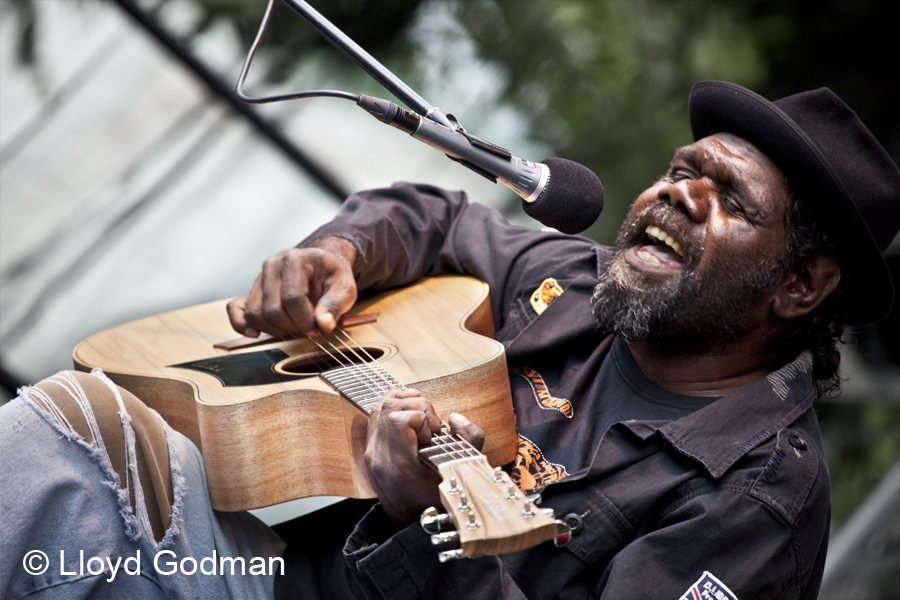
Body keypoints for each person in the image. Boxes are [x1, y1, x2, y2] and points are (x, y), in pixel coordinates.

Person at [1, 81, 897, 600]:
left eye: (729, 200)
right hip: (270, 576)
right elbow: (434, 215)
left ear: (801, 285)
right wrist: (335, 255)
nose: (677, 194)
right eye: (680, 171)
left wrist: (428, 523)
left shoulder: (758, 502)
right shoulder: (575, 282)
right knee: (80, 430)